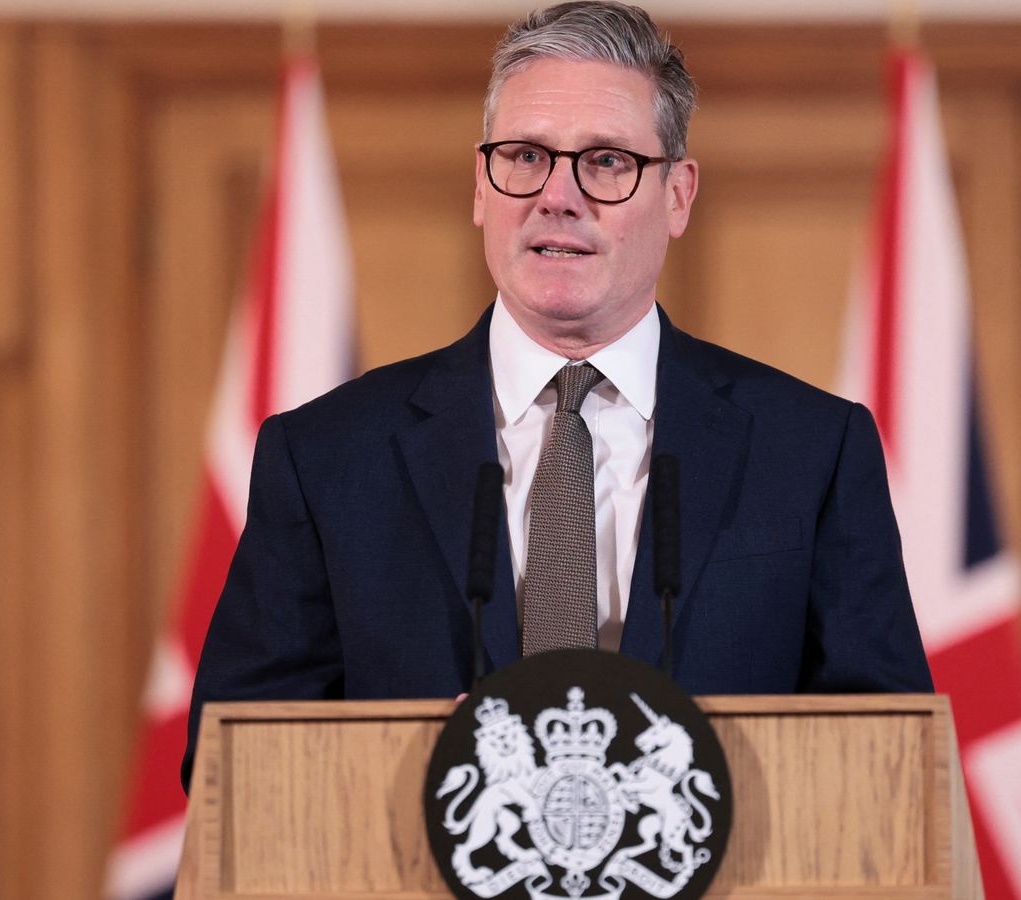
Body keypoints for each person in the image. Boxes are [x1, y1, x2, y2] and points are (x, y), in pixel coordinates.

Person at [183, 0, 931, 789]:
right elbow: (232, 765)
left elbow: (888, 760)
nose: (557, 195)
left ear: (678, 195)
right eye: (526, 157)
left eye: (606, 161)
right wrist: (406, 769)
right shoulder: (328, 459)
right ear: (481, 185)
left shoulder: (809, 452)